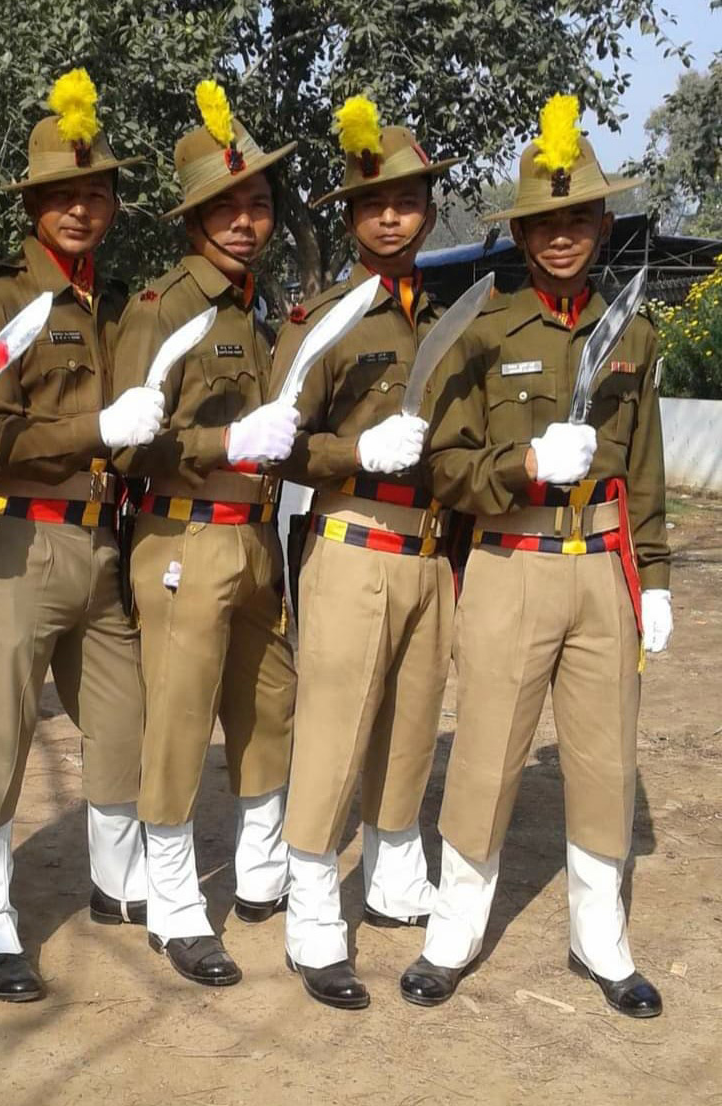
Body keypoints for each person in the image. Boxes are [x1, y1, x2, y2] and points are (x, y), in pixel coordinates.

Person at [399, 95, 672, 1018]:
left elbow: (647, 472)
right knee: (485, 755)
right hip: (510, 563)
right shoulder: (485, 328)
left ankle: (603, 942)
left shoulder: (632, 332)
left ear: (601, 223)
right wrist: (521, 465)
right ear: (522, 232)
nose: (562, 237)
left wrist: (658, 578)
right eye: (544, 222)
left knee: (603, 761)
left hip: (602, 566)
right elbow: (444, 467)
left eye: (578, 218)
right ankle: (453, 933)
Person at [0, 70, 161, 1003]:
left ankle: (117, 883)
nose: (80, 210)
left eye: (95, 194)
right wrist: (94, 433)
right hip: (21, 544)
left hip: (102, 544)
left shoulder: (115, 308)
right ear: (33, 207)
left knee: (123, 722)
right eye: (61, 197)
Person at [271, 98, 462, 1009]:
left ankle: (391, 876)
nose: (392, 215)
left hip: (431, 554)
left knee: (412, 722)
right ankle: (312, 903)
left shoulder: (453, 319)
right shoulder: (323, 316)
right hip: (351, 538)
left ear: (427, 207)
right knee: (338, 727)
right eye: (374, 202)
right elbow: (277, 442)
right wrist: (354, 454)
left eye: (409, 199)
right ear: (351, 215)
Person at [111, 80, 299, 987]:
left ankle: (260, 873)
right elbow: (129, 447)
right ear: (193, 219)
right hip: (183, 539)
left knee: (269, 709)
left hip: (255, 542)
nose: (243, 222)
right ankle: (177, 903)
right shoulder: (161, 307)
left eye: (257, 204)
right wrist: (225, 440)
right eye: (225, 208)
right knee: (180, 723)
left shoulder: (254, 306)